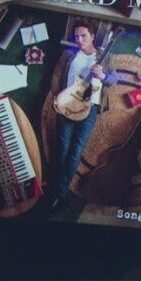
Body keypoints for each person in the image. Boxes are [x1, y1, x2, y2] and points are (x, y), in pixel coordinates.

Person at [48, 19, 119, 214]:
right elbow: (56, 76)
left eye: (83, 36)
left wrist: (102, 76)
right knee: (62, 148)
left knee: (76, 149)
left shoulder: (105, 56)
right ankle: (59, 194)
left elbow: (113, 80)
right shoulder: (68, 55)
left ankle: (58, 193)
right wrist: (56, 96)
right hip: (67, 105)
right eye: (76, 36)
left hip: (90, 108)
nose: (79, 40)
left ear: (92, 36)